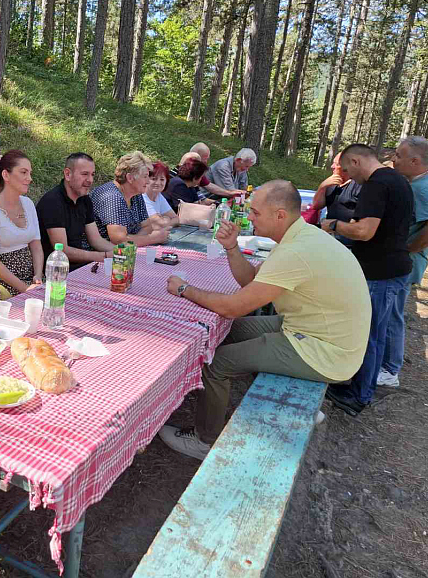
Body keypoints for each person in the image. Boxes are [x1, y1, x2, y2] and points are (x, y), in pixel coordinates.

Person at [157, 181, 370, 460]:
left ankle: (204, 440)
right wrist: (232, 248)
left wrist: (185, 290)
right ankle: (290, 401)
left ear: (280, 215)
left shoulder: (295, 251)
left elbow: (233, 306)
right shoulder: (301, 238)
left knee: (218, 363)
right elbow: (250, 281)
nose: (248, 218)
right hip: (316, 331)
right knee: (228, 331)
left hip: (325, 351)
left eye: (255, 213)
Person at [320, 143, 414, 415]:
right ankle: (361, 387)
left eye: (348, 169)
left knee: (368, 333)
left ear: (357, 161)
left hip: (380, 272)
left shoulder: (376, 183)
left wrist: (334, 225)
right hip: (391, 268)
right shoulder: (396, 180)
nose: (349, 177)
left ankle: (359, 395)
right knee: (376, 332)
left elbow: (364, 231)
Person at [377, 136, 428, 388]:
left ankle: (390, 370)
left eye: (399, 156)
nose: (394, 159)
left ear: (415, 161)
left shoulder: (424, 188)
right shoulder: (421, 180)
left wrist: (407, 249)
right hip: (402, 259)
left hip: (405, 262)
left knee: (392, 314)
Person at [0, 150, 44, 295]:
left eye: (30, 173)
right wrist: (24, 289)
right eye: (23, 172)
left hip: (30, 280)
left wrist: (37, 276)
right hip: (1, 284)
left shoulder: (28, 204)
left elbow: (36, 246)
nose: (29, 178)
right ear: (6, 175)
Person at [36, 152, 114, 271]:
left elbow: (96, 240)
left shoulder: (85, 200)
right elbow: (62, 250)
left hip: (80, 267)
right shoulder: (52, 202)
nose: (90, 180)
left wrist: (121, 251)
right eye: (84, 174)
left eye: (92, 174)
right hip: (56, 272)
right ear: (68, 174)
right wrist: (102, 256)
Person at [90, 151, 168, 247]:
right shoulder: (112, 197)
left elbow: (147, 227)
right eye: (145, 177)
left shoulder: (136, 194)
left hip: (122, 253)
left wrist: (132, 243)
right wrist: (153, 238)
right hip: (98, 257)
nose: (148, 181)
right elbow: (119, 240)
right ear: (130, 178)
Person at [177, 143, 243, 199]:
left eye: (207, 159)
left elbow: (209, 186)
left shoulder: (195, 173)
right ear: (194, 160)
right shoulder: (180, 180)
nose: (206, 162)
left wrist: (230, 193)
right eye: (204, 160)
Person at [142, 161, 178, 229]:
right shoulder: (142, 197)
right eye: (153, 179)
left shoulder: (159, 196)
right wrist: (166, 219)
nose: (158, 183)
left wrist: (165, 222)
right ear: (146, 179)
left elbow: (176, 219)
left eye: (162, 179)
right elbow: (159, 223)